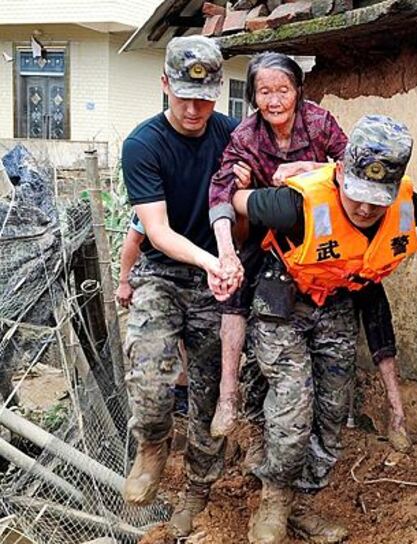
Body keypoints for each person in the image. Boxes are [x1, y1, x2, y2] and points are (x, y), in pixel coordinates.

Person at [230, 115, 417, 544]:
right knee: (294, 404)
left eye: (378, 200)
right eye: (357, 194)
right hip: (281, 299)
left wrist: (395, 403)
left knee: (333, 412)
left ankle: (302, 501)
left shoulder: (410, 208)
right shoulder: (296, 206)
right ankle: (275, 499)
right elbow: (239, 201)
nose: (365, 208)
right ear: (341, 173)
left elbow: (373, 291)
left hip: (335, 303)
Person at [119, 35, 243, 538]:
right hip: (163, 273)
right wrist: (211, 259)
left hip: (214, 278)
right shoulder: (143, 144)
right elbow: (157, 231)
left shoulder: (232, 135)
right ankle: (151, 446)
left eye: (206, 97)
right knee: (149, 373)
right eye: (184, 96)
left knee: (209, 394)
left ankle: (196, 488)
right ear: (166, 84)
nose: (194, 109)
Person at [208, 52, 348, 438]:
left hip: (320, 229)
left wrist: (304, 169)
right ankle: (228, 394)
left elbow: (351, 165)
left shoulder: (318, 121)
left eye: (282, 90)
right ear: (253, 96)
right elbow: (219, 192)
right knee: (233, 295)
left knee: (364, 293)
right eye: (264, 92)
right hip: (267, 229)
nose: (274, 101)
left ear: (298, 91)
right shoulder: (246, 135)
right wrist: (225, 251)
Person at [116, 215, 189, 415]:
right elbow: (134, 238)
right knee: (156, 343)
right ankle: (170, 395)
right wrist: (124, 281)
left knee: (188, 340)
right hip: (159, 274)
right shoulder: (152, 200)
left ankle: (184, 391)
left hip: (199, 275)